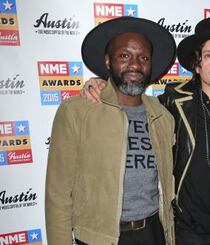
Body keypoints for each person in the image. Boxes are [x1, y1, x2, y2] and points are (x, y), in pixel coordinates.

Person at [81, 17, 210, 245]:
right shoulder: (171, 102)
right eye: (208, 55)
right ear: (197, 65)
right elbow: (129, 98)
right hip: (185, 233)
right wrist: (100, 84)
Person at [45, 17, 176, 245]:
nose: (135, 65)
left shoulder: (163, 116)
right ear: (108, 61)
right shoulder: (76, 112)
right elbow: (57, 194)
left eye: (143, 58)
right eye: (124, 56)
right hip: (100, 239)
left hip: (153, 233)